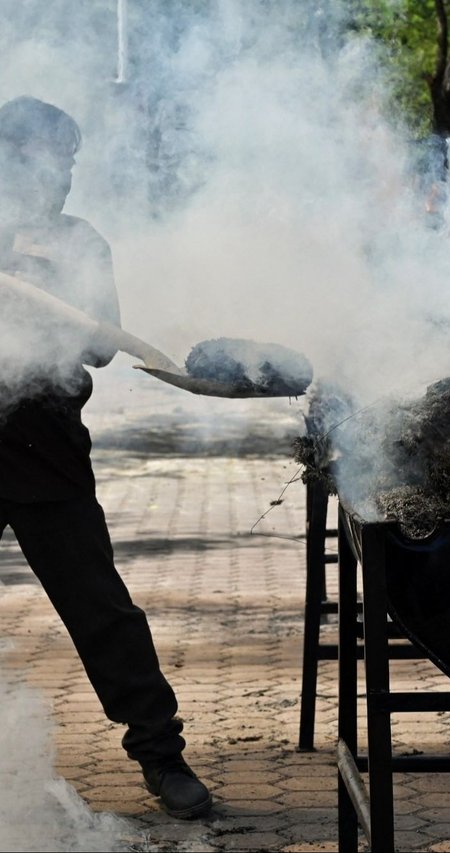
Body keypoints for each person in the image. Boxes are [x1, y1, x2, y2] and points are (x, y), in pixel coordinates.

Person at [0, 95, 212, 820]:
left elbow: (99, 343)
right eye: (47, 160)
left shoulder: (81, 241)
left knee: (101, 610)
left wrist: (53, 278)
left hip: (46, 443)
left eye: (69, 162)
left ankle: (161, 753)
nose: (61, 176)